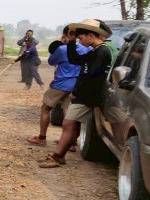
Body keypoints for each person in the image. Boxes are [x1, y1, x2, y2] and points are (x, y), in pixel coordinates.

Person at [38, 19, 114, 168]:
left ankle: (57, 156)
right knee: (70, 123)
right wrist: (71, 42)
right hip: (84, 95)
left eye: (81, 38)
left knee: (68, 123)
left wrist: (77, 92)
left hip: (87, 97)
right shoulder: (95, 51)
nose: (80, 41)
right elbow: (75, 59)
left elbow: (92, 77)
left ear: (91, 34)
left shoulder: (102, 52)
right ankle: (59, 155)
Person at [27, 27, 89, 146]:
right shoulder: (87, 49)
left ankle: (42, 137)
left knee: (46, 109)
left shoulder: (62, 49)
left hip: (60, 84)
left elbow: (51, 61)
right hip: (76, 85)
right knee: (70, 113)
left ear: (66, 35)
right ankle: (70, 142)